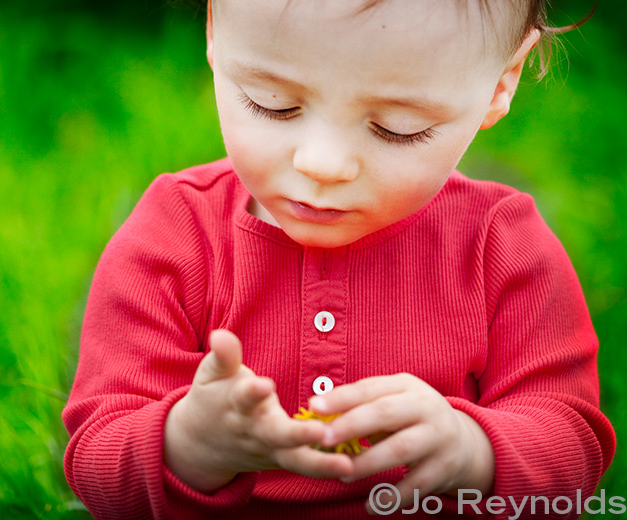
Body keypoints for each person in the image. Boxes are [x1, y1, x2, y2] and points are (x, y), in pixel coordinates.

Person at [62, 0, 616, 518]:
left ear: (501, 84)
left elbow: (571, 447)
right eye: (272, 103)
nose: (322, 164)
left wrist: (476, 453)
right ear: (213, 33)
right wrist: (188, 444)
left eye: (397, 128)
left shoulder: (504, 248)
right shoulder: (174, 235)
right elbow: (97, 457)